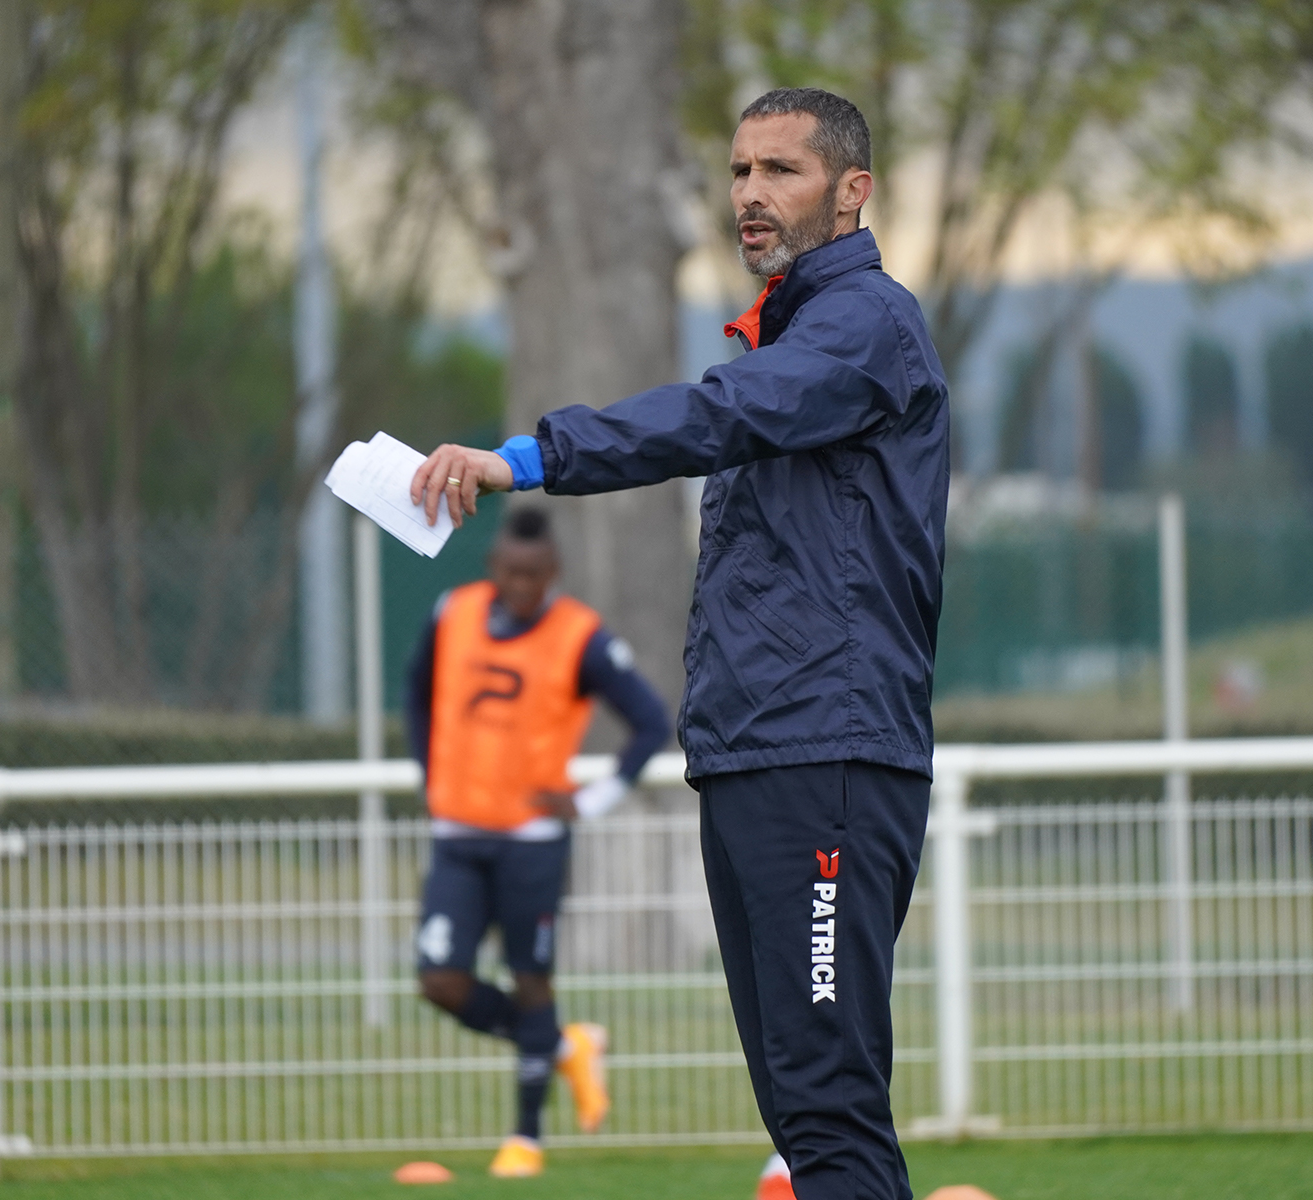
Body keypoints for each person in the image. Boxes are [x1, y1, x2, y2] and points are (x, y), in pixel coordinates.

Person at [410, 87, 946, 1200]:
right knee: (801, 1112)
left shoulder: (866, 324)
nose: (750, 192)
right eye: (740, 170)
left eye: (782, 170)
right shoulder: (792, 334)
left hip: (825, 758)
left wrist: (528, 457)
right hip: (756, 754)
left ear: (853, 191)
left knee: (827, 1108)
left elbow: (716, 415)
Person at [407, 506, 671, 1179]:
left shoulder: (580, 637)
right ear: (493, 566)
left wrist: (591, 801)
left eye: (534, 574)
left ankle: (525, 1138)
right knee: (439, 979)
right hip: (458, 833)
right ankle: (563, 1048)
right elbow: (416, 691)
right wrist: (430, 774)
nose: (521, 585)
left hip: (532, 839)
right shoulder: (453, 613)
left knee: (530, 979)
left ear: (552, 571)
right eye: (511, 572)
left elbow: (650, 723)